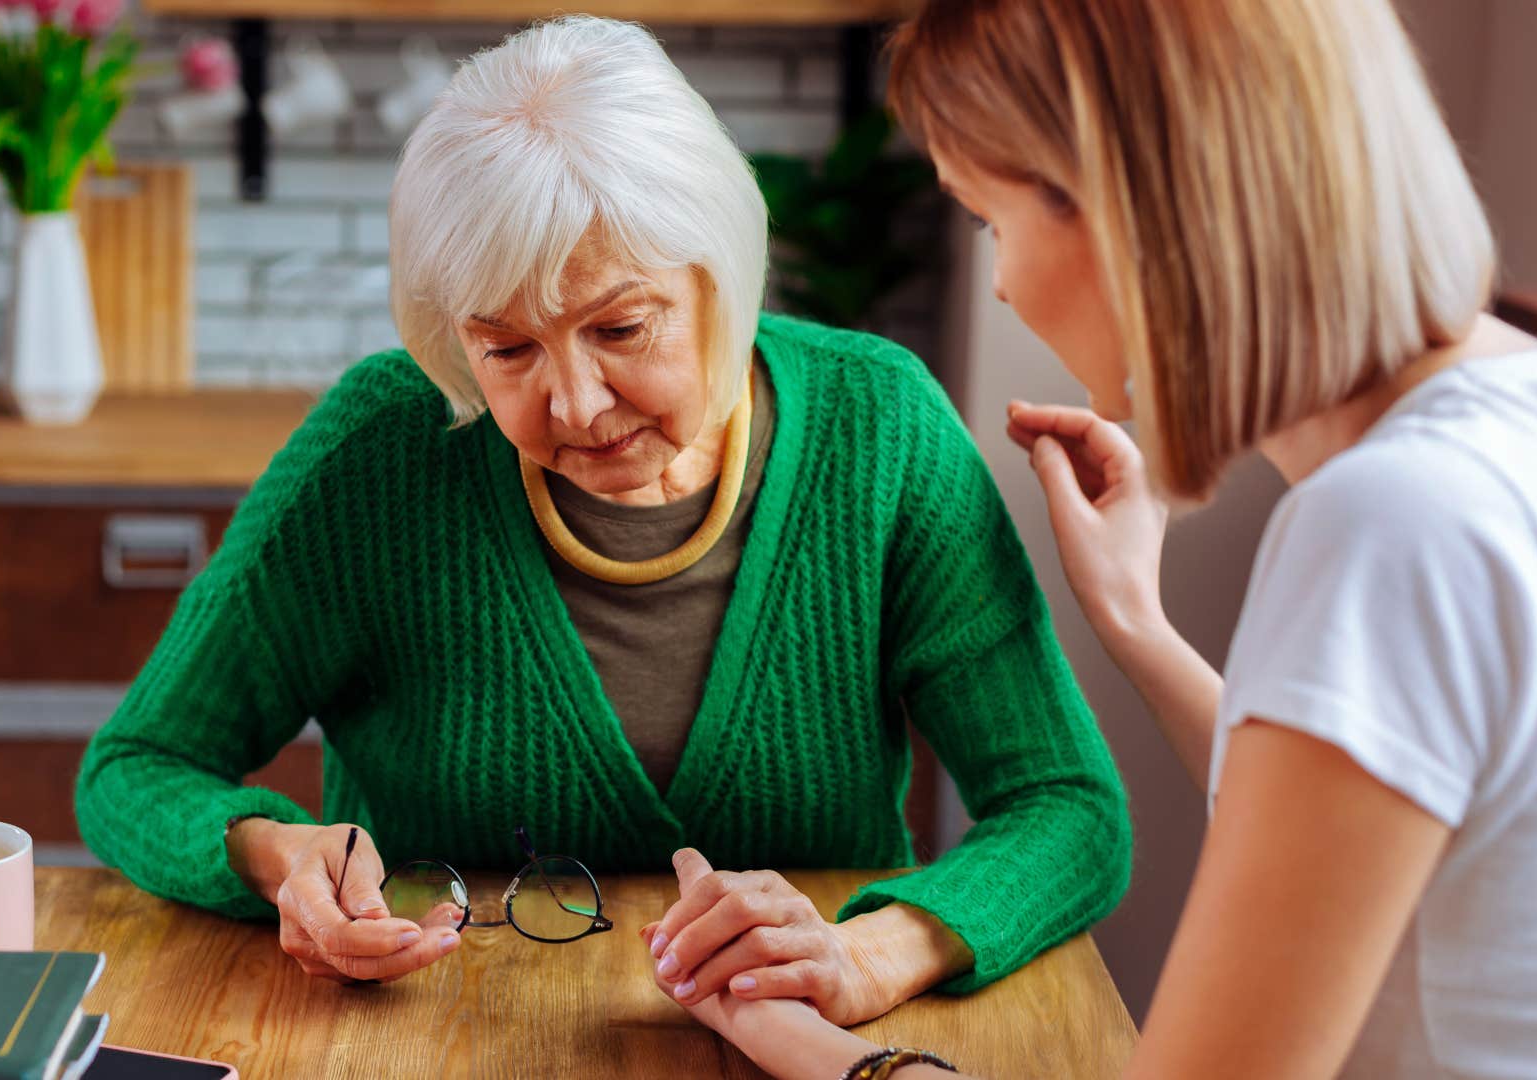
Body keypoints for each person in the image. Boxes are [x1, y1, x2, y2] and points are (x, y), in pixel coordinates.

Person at [75, 14, 1129, 1015]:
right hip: (428, 1040)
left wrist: (874, 951)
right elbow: (135, 768)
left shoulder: (881, 427)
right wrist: (274, 856)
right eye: (509, 349)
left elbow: (1069, 810)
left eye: (621, 327)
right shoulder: (379, 453)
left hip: (799, 1046)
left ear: (723, 276)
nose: (574, 403)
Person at [648, 1, 1537, 1076]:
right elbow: (1383, 835)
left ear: (1137, 209)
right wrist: (1135, 621)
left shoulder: (1392, 525)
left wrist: (823, 1052)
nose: (999, 281)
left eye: (994, 220)